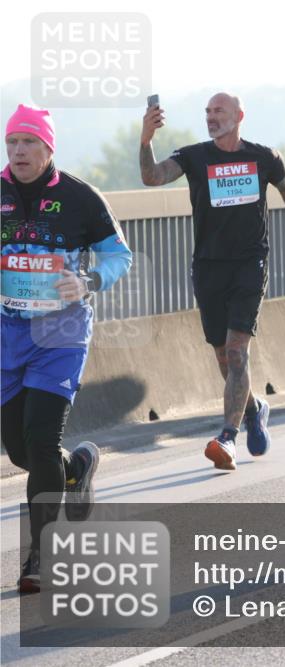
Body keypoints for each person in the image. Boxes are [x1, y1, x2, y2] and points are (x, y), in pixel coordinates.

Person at [139, 92, 285, 471]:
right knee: (222, 354)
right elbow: (152, 177)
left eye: (218, 111)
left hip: (250, 264)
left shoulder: (263, 157)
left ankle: (227, 438)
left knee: (237, 351)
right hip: (208, 267)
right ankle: (253, 410)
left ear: (239, 115)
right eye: (206, 112)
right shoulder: (193, 156)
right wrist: (146, 140)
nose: (210, 117)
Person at [2, 104, 133, 593]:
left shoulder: (80, 198)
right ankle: (75, 467)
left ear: (48, 147)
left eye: (28, 142)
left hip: (60, 337)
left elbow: (119, 255)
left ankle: (39, 555)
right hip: (6, 335)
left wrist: (91, 280)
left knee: (39, 439)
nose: (18, 151)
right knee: (21, 449)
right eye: (11, 141)